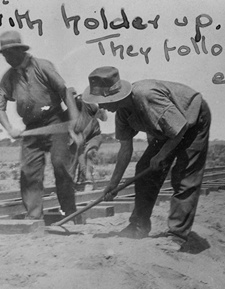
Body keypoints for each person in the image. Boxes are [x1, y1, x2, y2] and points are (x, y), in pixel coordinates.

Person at [82, 66, 211, 250]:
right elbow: (125, 149)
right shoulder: (122, 113)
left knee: (184, 176)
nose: (100, 106)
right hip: (169, 129)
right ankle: (138, 226)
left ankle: (177, 235)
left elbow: (181, 127)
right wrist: (113, 184)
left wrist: (162, 155)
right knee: (144, 169)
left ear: (114, 96)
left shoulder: (146, 96)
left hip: (193, 120)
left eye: (102, 101)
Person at [0, 30, 82, 220]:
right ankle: (34, 217)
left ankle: (70, 213)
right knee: (29, 172)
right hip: (32, 128)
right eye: (4, 54)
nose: (6, 58)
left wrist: (74, 125)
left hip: (55, 122)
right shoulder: (8, 77)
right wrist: (9, 128)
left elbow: (65, 92)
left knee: (61, 166)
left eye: (9, 53)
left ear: (20, 50)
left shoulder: (42, 66)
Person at [68, 87, 108, 188]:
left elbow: (104, 118)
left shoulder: (89, 105)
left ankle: (87, 181)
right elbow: (69, 131)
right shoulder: (67, 114)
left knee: (89, 153)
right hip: (79, 139)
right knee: (73, 160)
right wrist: (76, 139)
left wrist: (101, 109)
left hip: (93, 136)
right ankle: (72, 183)